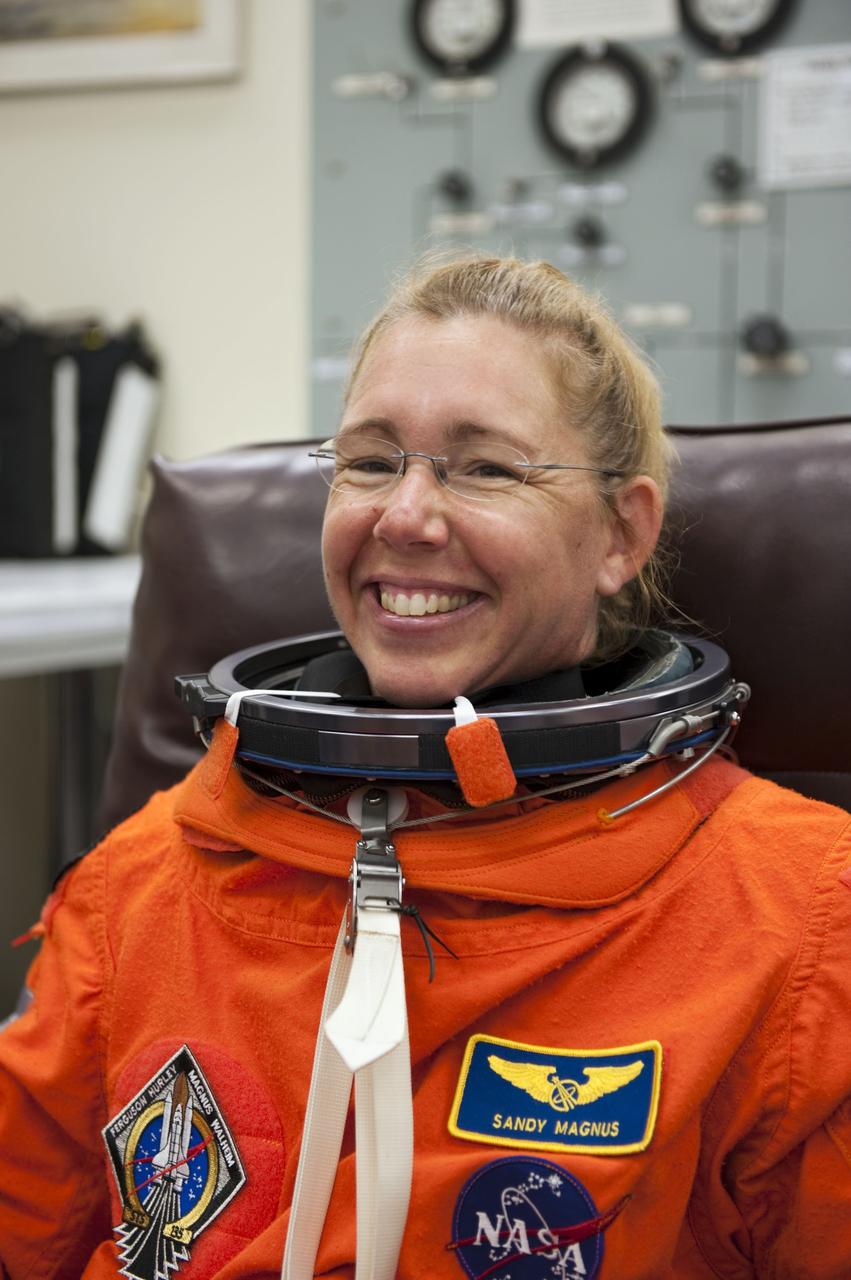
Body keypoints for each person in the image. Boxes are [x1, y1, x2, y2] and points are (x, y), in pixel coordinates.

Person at [1, 256, 849, 1280]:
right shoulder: (139, 884)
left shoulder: (797, 921)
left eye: (484, 468)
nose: (403, 516)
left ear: (620, 532)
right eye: (368, 461)